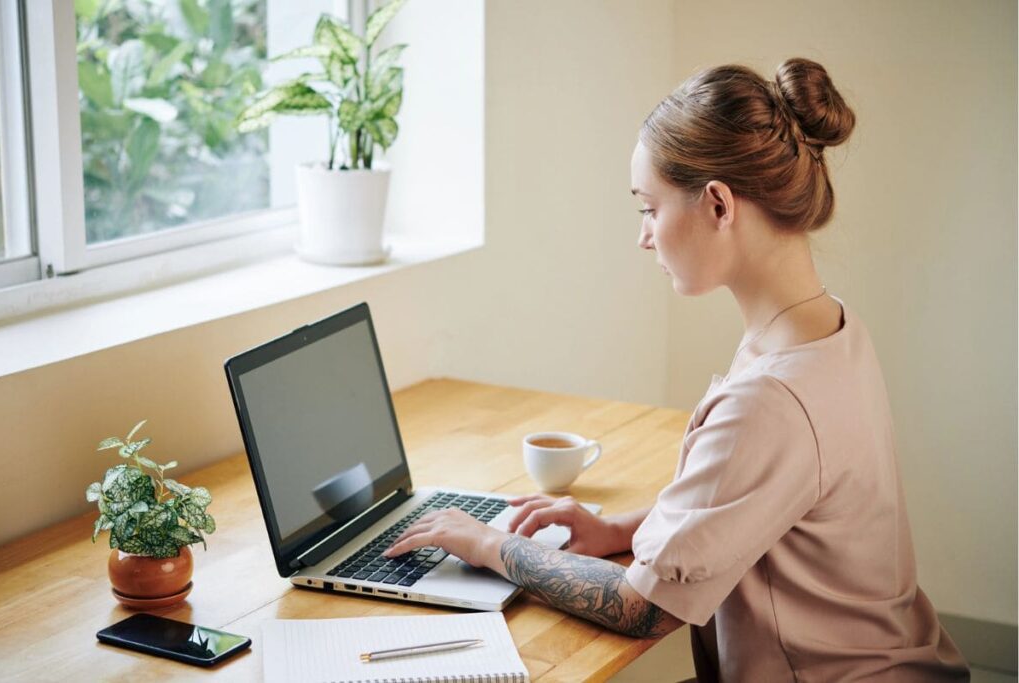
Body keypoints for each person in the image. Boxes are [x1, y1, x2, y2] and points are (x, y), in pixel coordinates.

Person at [384, 57, 970, 682]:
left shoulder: (770, 398)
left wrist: (489, 544)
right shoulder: (829, 331)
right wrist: (613, 529)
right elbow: (753, 505)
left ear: (718, 204)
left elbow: (641, 608)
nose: (644, 237)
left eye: (649, 208)